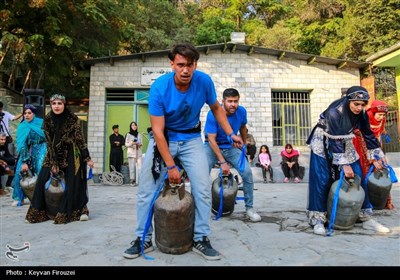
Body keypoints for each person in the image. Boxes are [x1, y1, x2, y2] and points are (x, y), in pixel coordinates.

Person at [123, 43, 243, 261]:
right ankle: (143, 238)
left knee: (203, 189)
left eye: (190, 65)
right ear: (172, 64)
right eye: (180, 65)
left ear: (195, 64)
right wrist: (171, 166)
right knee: (146, 190)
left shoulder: (204, 81)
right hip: (165, 139)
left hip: (191, 139)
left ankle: (200, 237)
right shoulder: (159, 88)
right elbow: (158, 132)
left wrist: (231, 132)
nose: (185, 70)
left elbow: (216, 107)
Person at [306, 86, 390, 236]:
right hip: (324, 141)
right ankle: (318, 219)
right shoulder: (334, 111)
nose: (359, 108)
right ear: (348, 100)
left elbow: (368, 133)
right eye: (356, 104)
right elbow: (335, 140)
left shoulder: (361, 112)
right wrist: (344, 164)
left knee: (358, 175)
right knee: (322, 179)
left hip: (345, 140)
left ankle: (365, 217)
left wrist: (378, 154)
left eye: (363, 104)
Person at [25, 94, 94, 223]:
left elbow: (80, 139)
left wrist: (87, 157)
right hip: (52, 154)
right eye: (54, 103)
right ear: (51, 105)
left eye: (59, 103)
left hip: (71, 154)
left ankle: (79, 211)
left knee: (73, 183)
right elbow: (49, 143)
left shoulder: (72, 119)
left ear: (64, 104)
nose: (56, 106)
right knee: (42, 181)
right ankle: (39, 213)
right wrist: (53, 162)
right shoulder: (47, 120)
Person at [204, 88, 261, 222]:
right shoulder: (213, 114)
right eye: (230, 101)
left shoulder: (241, 112)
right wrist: (222, 162)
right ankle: (199, 210)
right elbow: (211, 139)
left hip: (230, 146)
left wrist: (244, 144)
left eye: (235, 101)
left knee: (247, 173)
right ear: (223, 101)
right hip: (212, 146)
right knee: (200, 175)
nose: (233, 104)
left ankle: (249, 208)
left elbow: (243, 127)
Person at [354, 100, 394, 209]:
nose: (382, 117)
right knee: (364, 172)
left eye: (383, 115)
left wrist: (380, 155)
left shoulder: (382, 120)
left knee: (381, 170)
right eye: (380, 114)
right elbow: (363, 140)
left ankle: (383, 201)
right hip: (360, 146)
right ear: (373, 112)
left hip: (374, 146)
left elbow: (378, 136)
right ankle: (365, 203)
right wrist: (372, 159)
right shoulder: (365, 119)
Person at [11, 104, 47, 206]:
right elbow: (22, 144)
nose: (27, 115)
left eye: (29, 113)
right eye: (25, 113)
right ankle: (18, 198)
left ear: (34, 114)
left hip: (42, 148)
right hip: (28, 149)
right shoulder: (22, 126)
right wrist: (25, 160)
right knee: (20, 170)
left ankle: (43, 197)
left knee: (41, 169)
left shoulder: (42, 123)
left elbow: (48, 138)